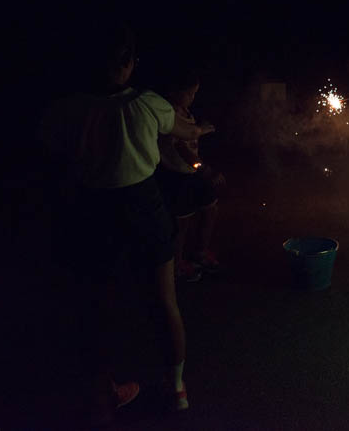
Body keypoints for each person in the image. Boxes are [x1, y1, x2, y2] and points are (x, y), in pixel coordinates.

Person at [38, 23, 214, 423]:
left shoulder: (68, 108)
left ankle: (104, 395)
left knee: (96, 305)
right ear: (130, 63)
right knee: (164, 301)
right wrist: (200, 128)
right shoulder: (147, 104)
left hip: (91, 210)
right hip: (142, 205)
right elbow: (185, 129)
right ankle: (177, 390)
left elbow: (49, 149)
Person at [156, 68, 226, 282]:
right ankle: (177, 266)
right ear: (173, 91)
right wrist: (204, 169)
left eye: (195, 93)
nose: (192, 97)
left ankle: (200, 253)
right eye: (189, 93)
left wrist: (200, 169)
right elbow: (182, 149)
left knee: (210, 207)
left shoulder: (187, 112)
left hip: (192, 173)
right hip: (176, 177)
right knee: (181, 223)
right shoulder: (169, 115)